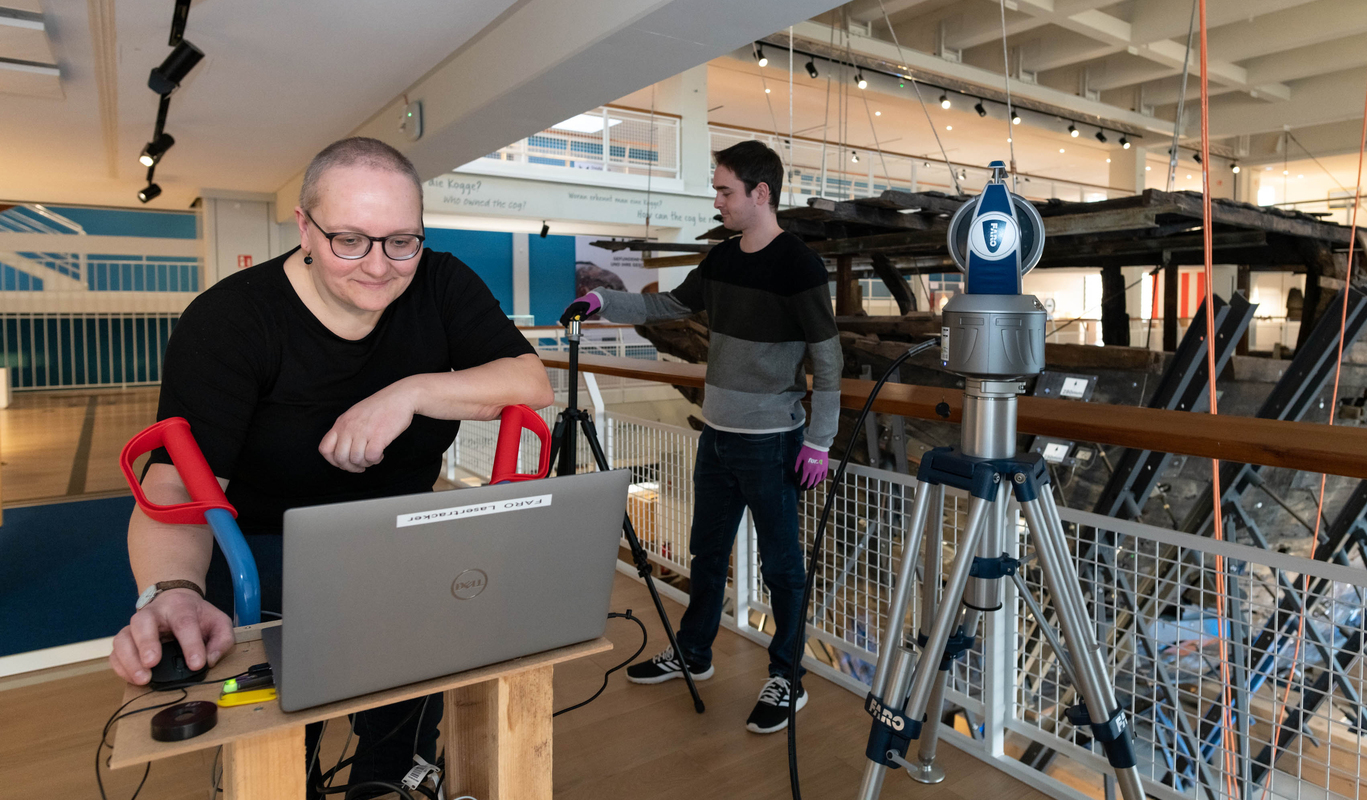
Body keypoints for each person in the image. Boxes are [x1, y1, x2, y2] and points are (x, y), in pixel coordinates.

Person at [107, 137, 553, 798]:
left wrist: (410, 392)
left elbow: (530, 382)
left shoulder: (440, 281)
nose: (379, 266)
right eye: (350, 239)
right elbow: (174, 482)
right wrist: (171, 589)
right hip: (261, 553)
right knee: (283, 741)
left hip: (398, 537)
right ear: (304, 229)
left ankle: (390, 777)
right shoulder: (232, 322)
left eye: (401, 240)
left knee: (403, 724)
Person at [560, 140, 842, 734]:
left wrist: (819, 440)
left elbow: (828, 355)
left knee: (782, 566)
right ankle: (694, 652)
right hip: (716, 435)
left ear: (760, 193)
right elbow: (670, 304)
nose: (717, 201)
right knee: (706, 554)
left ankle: (788, 677)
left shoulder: (800, 264)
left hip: (771, 441)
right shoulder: (722, 257)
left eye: (724, 191)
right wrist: (603, 299)